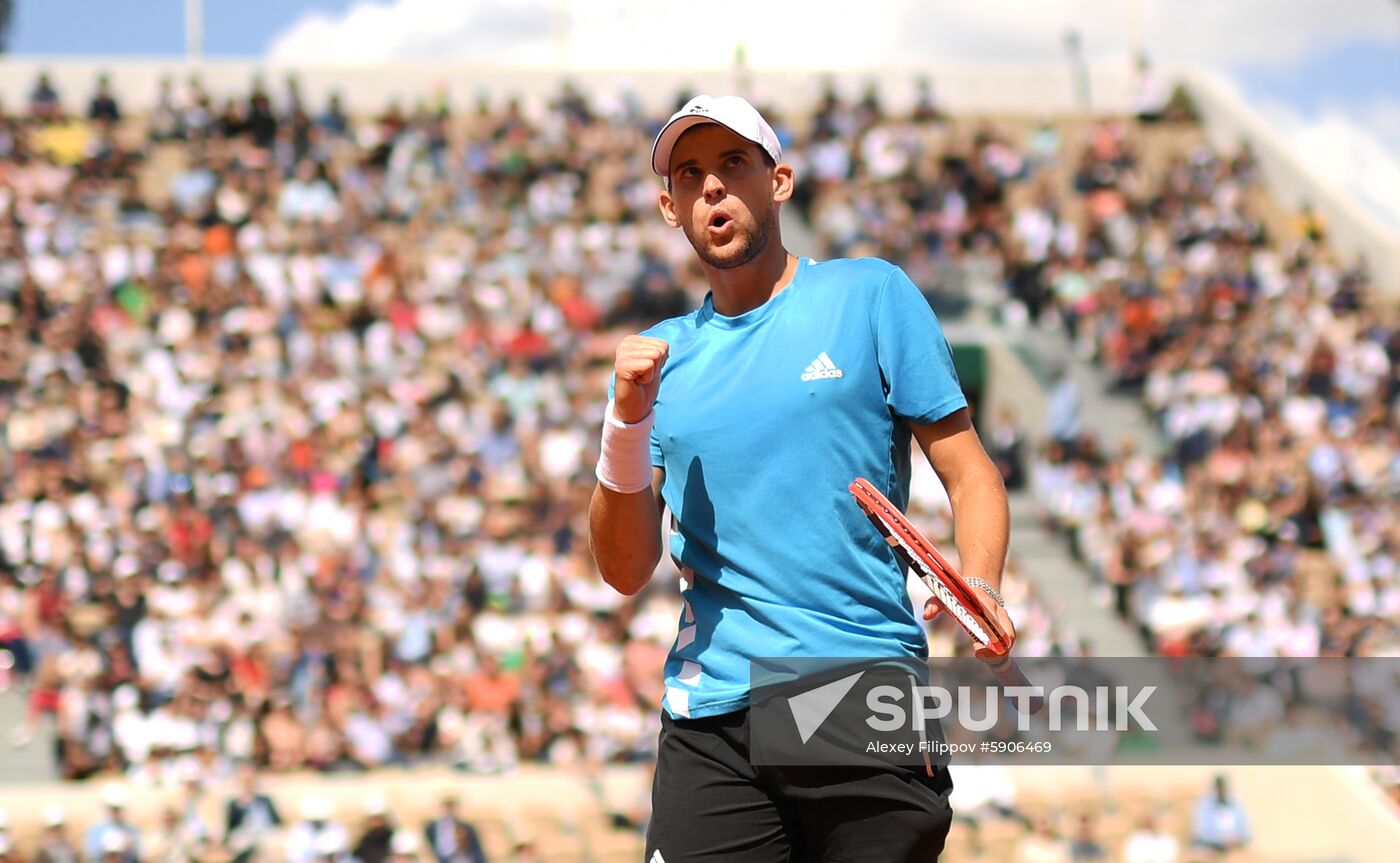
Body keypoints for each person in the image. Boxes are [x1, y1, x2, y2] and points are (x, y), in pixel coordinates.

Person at [589, 94, 1015, 862]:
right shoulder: (657, 358)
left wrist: (978, 582)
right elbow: (622, 569)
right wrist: (625, 424)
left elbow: (970, 471)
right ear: (669, 207)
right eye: (690, 175)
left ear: (778, 181)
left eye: (732, 164)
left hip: (855, 688)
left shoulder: (870, 294)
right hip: (711, 715)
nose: (712, 188)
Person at [1191, 774, 1250, 855]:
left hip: (1234, 847)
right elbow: (1201, 833)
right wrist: (1221, 840)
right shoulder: (1204, 806)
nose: (1222, 790)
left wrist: (1235, 840)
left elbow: (1244, 831)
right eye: (1219, 788)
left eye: (1224, 787)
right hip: (1212, 847)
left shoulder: (1236, 805)